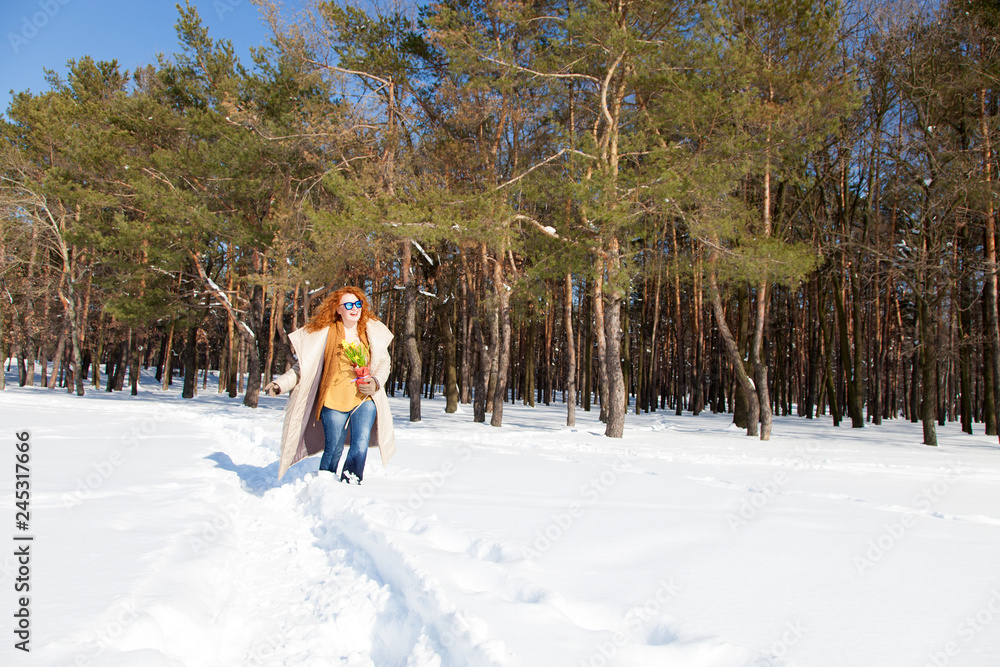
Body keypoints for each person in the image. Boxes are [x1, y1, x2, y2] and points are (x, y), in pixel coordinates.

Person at [264, 287, 395, 484]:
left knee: (360, 444)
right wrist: (280, 384)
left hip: (364, 399)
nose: (355, 308)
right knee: (334, 448)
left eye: (358, 304)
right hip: (333, 400)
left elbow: (384, 362)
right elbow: (302, 368)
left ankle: (351, 482)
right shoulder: (325, 335)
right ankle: (325, 484)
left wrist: (375, 382)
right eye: (349, 305)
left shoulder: (369, 333)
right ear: (338, 309)